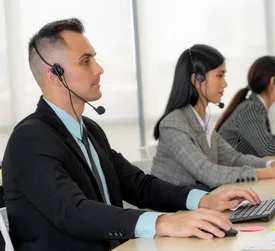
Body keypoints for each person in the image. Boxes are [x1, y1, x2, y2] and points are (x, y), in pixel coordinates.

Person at [1, 18, 260, 251]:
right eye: (86, 61)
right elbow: (73, 211)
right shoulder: (30, 140)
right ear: (54, 76)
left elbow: (138, 185)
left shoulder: (89, 130)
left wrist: (205, 200)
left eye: (94, 58)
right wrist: (163, 222)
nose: (99, 69)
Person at [150, 45, 275, 191]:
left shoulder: (203, 121)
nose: (225, 83)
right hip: (173, 211)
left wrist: (271, 165)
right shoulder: (174, 124)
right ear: (197, 80)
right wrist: (271, 173)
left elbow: (234, 158)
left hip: (201, 203)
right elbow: (208, 172)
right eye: (220, 75)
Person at [215, 56, 275, 157]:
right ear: (274, 82)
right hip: (230, 170)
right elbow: (268, 148)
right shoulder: (252, 108)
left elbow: (269, 139)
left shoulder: (254, 105)